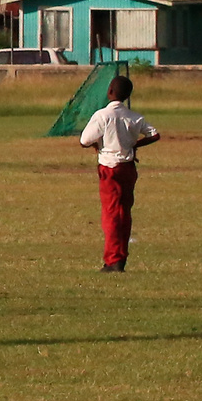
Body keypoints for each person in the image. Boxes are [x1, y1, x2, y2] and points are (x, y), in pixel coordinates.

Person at [79, 75, 158, 272]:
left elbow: (84, 140)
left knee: (111, 214)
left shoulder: (102, 116)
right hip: (128, 168)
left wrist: (98, 145)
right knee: (124, 212)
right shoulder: (134, 117)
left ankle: (113, 260)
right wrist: (134, 144)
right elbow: (154, 134)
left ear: (110, 91)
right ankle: (121, 256)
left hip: (109, 168)